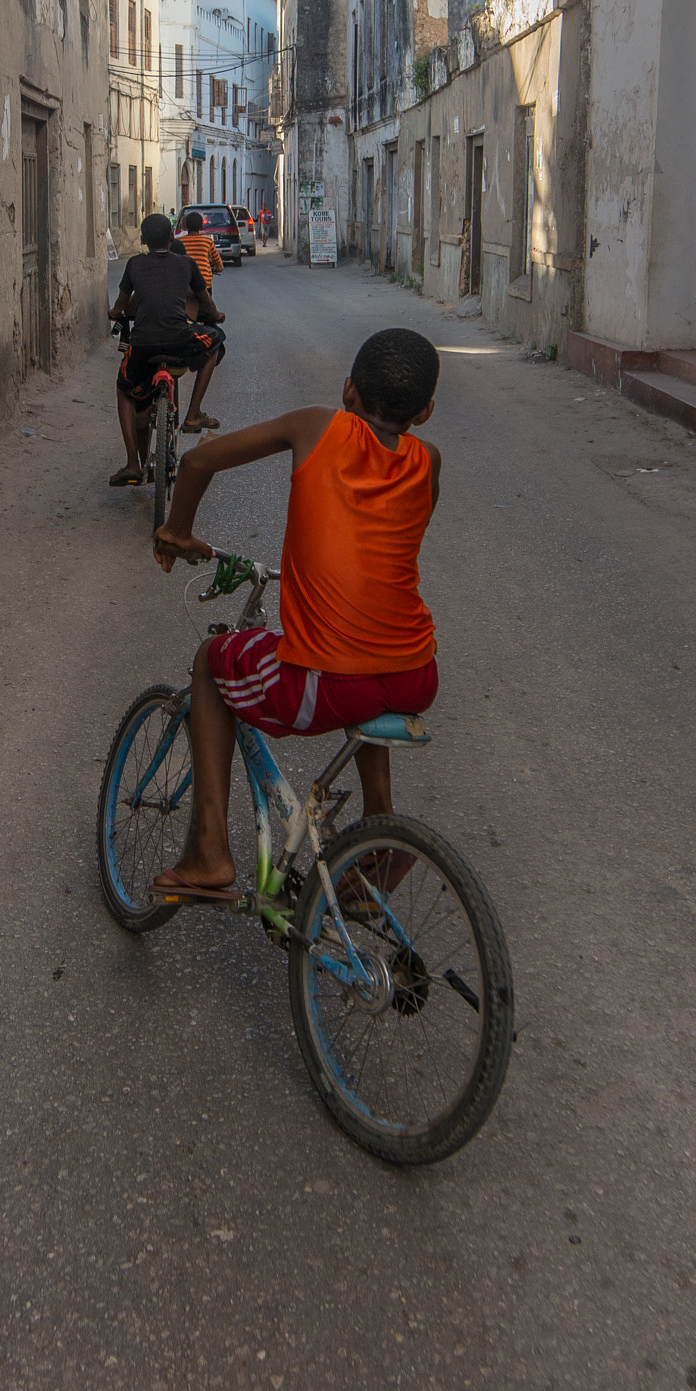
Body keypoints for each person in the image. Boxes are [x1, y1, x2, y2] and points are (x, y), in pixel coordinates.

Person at [145, 329, 443, 900]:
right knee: (368, 669)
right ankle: (381, 834)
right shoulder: (428, 461)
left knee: (211, 661)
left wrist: (176, 531)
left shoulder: (318, 425)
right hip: (415, 672)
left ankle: (209, 853)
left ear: (347, 389)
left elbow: (200, 460)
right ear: (425, 412)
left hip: (328, 680)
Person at [108, 213, 225, 483]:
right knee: (215, 340)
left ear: (143, 240)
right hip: (180, 338)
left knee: (124, 388)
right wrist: (216, 316)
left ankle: (132, 464)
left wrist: (114, 313)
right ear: (172, 238)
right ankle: (194, 414)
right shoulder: (186, 263)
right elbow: (205, 301)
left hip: (143, 344)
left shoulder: (134, 264)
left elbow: (122, 304)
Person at [176, 210, 221, 291]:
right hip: (204, 284)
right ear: (202, 227)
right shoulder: (208, 241)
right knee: (208, 303)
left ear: (186, 226)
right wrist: (217, 269)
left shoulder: (179, 241)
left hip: (184, 283)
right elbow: (218, 262)